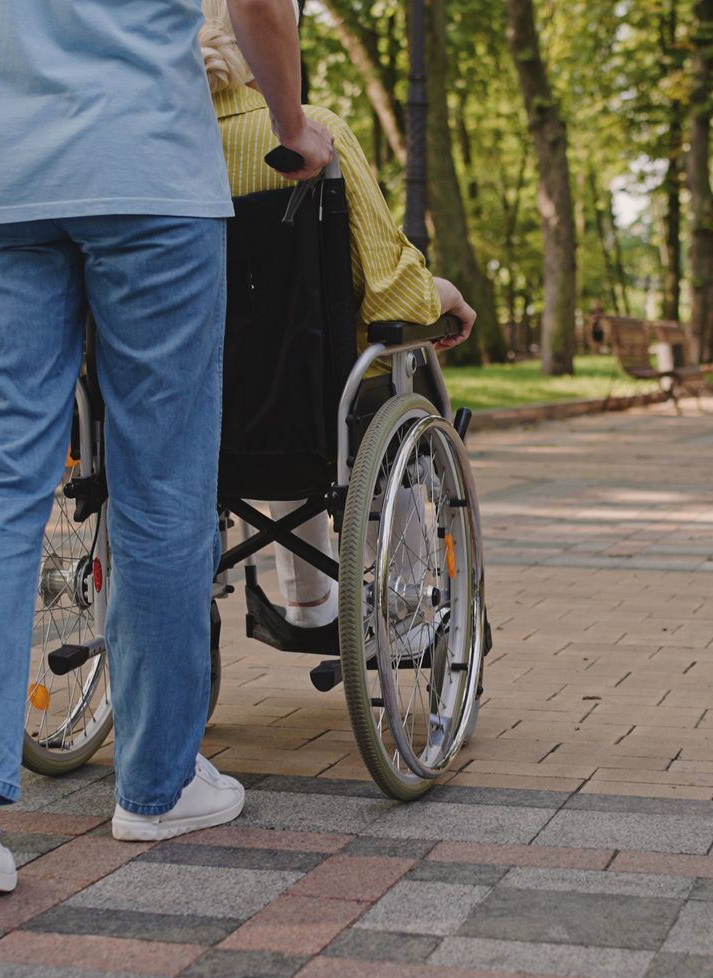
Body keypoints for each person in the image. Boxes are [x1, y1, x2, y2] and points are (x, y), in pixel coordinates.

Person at [0, 0, 335, 894]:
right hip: (150, 179)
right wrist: (291, 127)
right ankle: (157, 786)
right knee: (162, 480)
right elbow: (258, 7)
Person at [200, 0, 475, 629]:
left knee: (256, 376)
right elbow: (389, 291)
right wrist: (443, 290)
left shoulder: (150, 151)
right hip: (299, 402)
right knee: (386, 388)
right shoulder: (312, 132)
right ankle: (404, 611)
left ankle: (307, 601)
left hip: (186, 401)